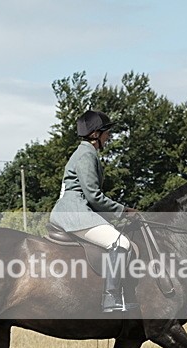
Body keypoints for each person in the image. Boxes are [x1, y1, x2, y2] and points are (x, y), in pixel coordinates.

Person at [49, 110, 138, 312]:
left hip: (75, 211)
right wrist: (123, 211)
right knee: (120, 242)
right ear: (96, 134)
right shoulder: (86, 154)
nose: (109, 136)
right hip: (75, 213)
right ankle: (111, 298)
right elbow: (93, 196)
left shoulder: (84, 152)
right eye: (107, 132)